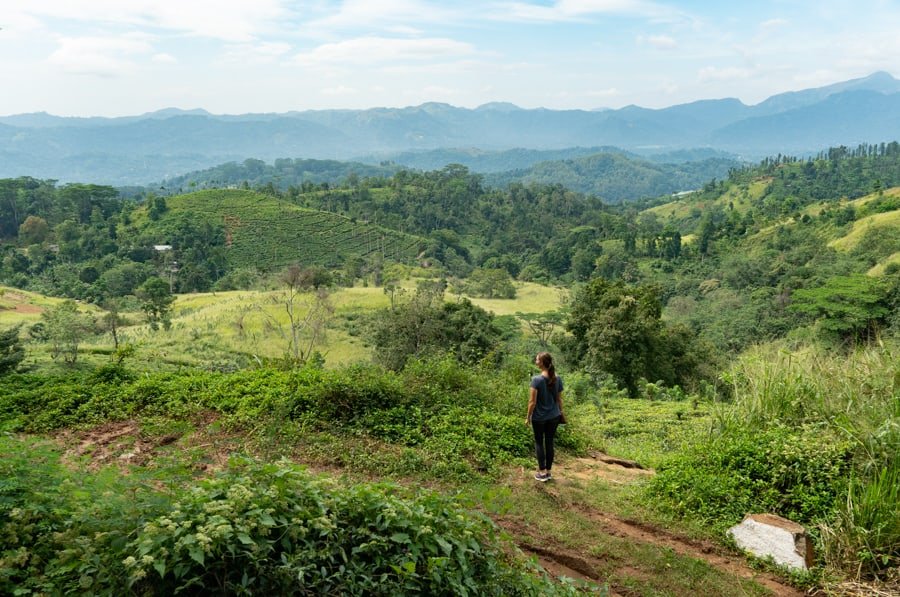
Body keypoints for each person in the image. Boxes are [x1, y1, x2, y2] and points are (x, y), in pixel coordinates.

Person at [525, 351, 565, 482]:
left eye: (537, 360)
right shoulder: (557, 378)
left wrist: (528, 416)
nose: (536, 362)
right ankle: (548, 472)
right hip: (554, 416)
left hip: (539, 417)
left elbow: (532, 402)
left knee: (539, 442)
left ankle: (541, 473)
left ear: (542, 363)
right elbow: (559, 400)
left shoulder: (536, 380)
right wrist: (561, 413)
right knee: (549, 442)